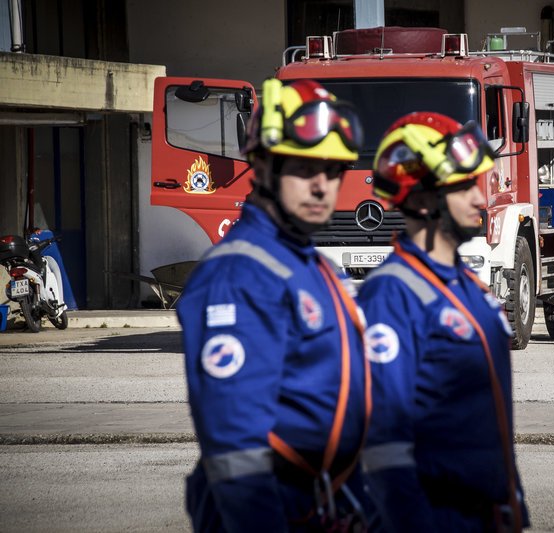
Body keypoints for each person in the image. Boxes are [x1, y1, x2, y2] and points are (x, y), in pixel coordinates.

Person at [177, 78, 371, 531]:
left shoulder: (315, 266)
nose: (322, 186)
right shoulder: (239, 274)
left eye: (334, 170)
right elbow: (237, 451)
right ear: (262, 165)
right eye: (304, 168)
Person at [357, 112, 529, 532]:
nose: (480, 199)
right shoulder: (392, 294)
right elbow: (384, 440)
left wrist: (510, 505)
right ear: (421, 200)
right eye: (463, 187)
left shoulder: (468, 288)